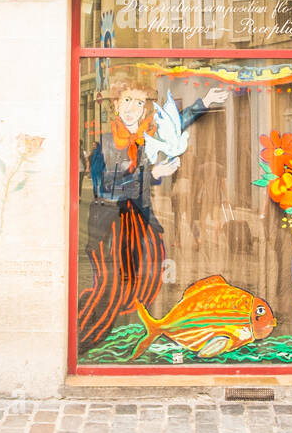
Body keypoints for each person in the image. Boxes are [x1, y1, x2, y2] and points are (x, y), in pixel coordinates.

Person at [78, 75, 228, 352]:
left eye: (139, 102)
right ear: (116, 106)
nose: (132, 108)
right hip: (110, 226)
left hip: (140, 222)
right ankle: (85, 338)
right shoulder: (106, 143)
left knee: (143, 281)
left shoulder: (147, 137)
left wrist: (204, 102)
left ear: (145, 108)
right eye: (127, 101)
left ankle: (125, 333)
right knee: (109, 287)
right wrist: (152, 173)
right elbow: (106, 188)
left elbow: (174, 127)